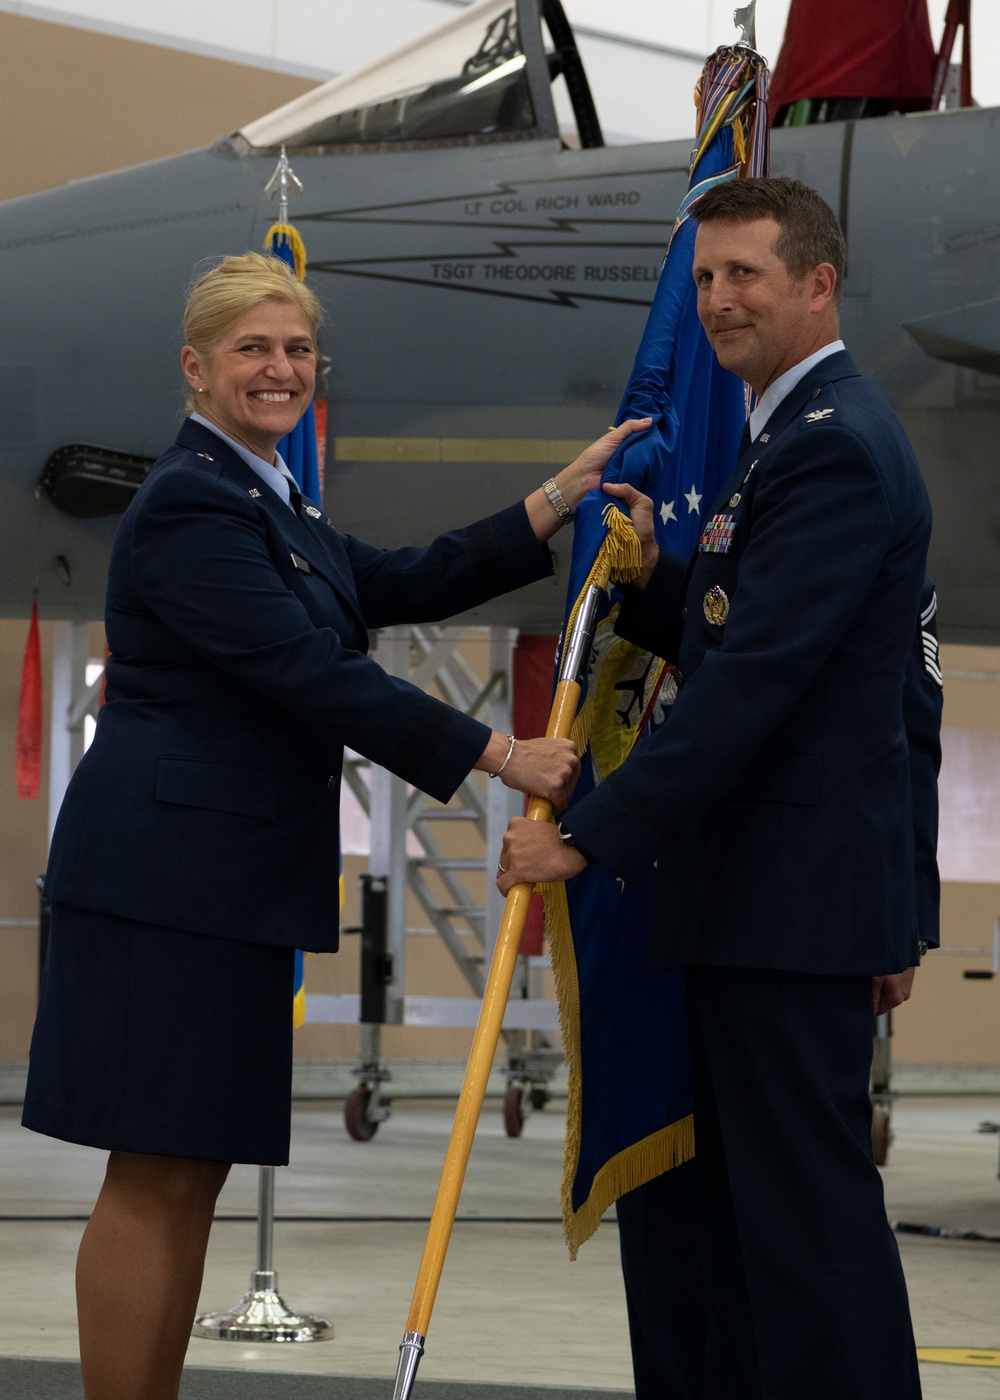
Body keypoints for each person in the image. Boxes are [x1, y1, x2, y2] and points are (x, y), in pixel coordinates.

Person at [22, 250, 649, 1400]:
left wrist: (555, 500)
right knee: (154, 1174)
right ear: (196, 366)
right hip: (166, 887)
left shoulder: (266, 490)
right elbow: (309, 671)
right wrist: (502, 753)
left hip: (223, 885)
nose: (280, 368)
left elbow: (400, 577)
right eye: (253, 349)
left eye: (297, 348)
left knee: (188, 1170)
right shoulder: (192, 503)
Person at [499, 178, 941, 1400]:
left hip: (786, 907)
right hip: (777, 900)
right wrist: (651, 583)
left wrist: (586, 836)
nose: (714, 299)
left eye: (744, 273)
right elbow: (795, 648)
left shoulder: (834, 446)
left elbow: (753, 692)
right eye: (703, 277)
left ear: (816, 282)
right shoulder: (792, 437)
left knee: (809, 1245)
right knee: (771, 1242)